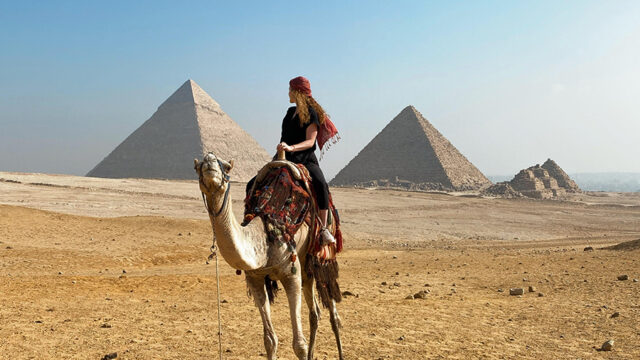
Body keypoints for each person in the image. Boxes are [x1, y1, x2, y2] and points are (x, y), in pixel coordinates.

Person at [246, 76, 339, 245]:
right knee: (253, 183)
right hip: (285, 157)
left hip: (304, 158)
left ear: (297, 92)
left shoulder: (312, 114)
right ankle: (250, 219)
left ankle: (324, 229)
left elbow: (310, 142)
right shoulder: (289, 113)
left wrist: (291, 148)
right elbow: (285, 136)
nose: (288, 93)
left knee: (321, 185)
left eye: (290, 89)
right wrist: (282, 147)